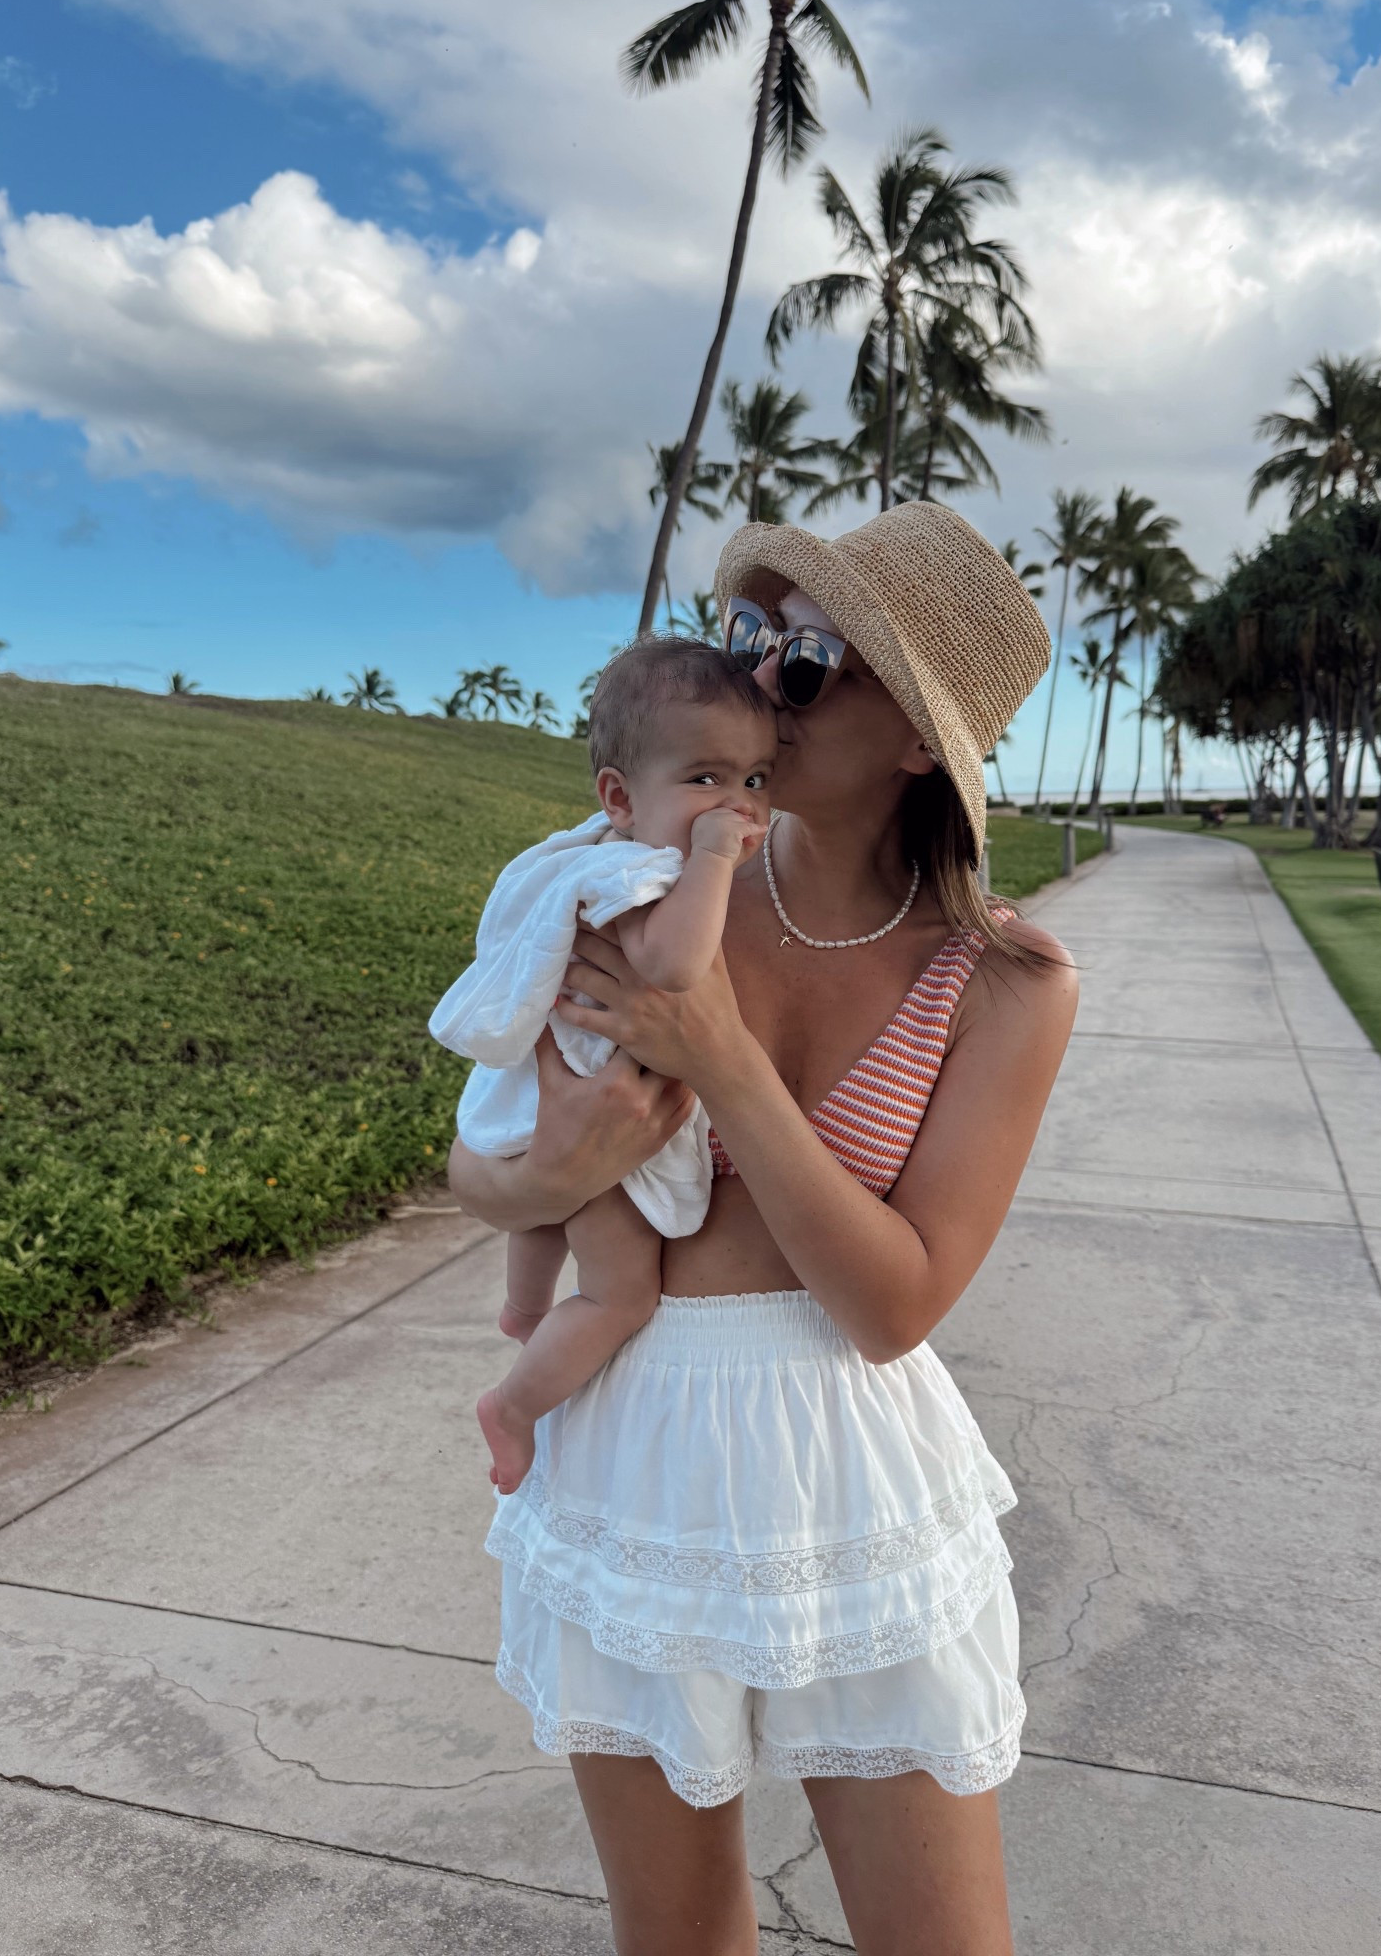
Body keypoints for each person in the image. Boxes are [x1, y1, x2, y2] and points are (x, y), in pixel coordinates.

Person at [450, 501, 1079, 1956]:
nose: (759, 682)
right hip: (630, 1441)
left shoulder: (1004, 981)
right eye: (755, 641)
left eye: (810, 663)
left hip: (850, 1471)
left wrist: (720, 1057)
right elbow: (480, 1170)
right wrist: (549, 1187)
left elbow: (894, 1308)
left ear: (921, 738)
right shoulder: (634, 894)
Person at [430, 637, 776, 1494]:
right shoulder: (645, 874)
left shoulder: (588, 855)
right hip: (606, 1104)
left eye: (757, 780)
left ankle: (522, 1307)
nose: (736, 806)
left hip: (570, 1100)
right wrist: (711, 862)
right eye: (706, 779)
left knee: (548, 1211)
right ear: (620, 796)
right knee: (623, 1296)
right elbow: (671, 966)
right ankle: (511, 1407)